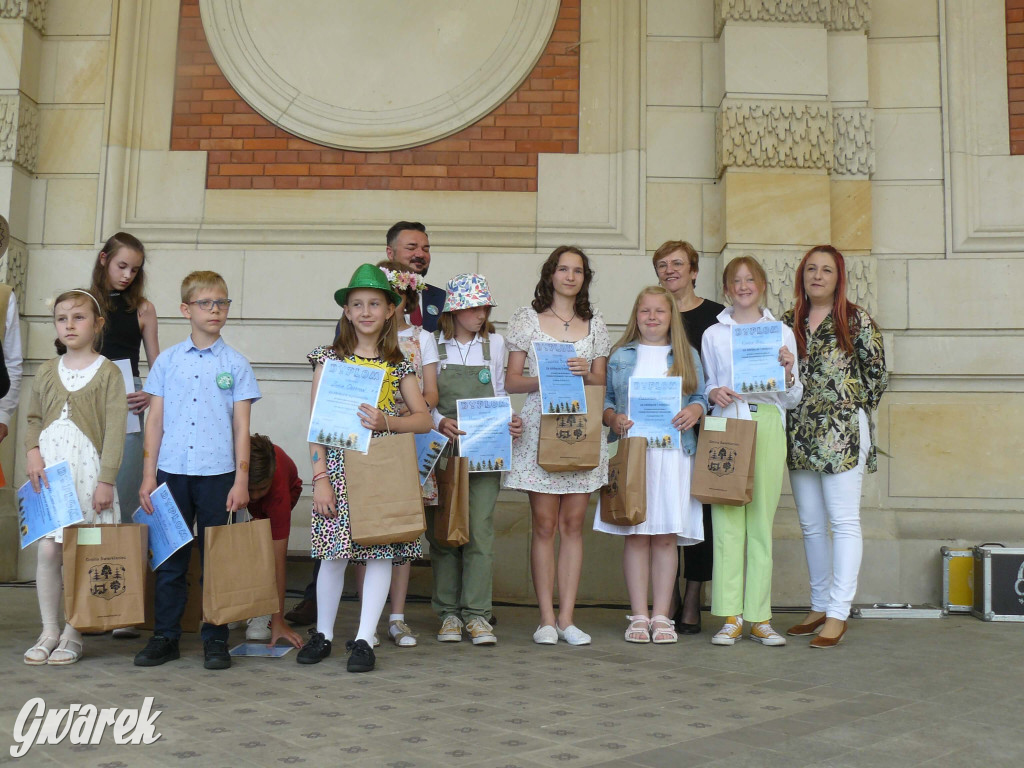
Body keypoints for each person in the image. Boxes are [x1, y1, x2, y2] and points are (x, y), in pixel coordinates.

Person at [297, 264, 431, 672]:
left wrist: (386, 421)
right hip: (336, 469)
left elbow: (423, 418)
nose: (366, 311)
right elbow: (316, 424)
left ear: (391, 310)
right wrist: (320, 479)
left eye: (374, 303)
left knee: (379, 552)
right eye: (357, 304)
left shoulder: (400, 363)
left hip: (381, 470)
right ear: (347, 312)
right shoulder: (329, 359)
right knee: (334, 555)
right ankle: (322, 634)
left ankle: (363, 639)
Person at [134, 271, 261, 671]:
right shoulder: (168, 362)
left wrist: (241, 479)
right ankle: (165, 637)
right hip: (171, 471)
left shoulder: (236, 364)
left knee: (217, 559)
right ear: (186, 309)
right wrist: (148, 475)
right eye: (206, 303)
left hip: (218, 473)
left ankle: (215, 638)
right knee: (170, 557)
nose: (215, 310)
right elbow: (154, 422)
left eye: (222, 302)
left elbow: (242, 426)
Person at [504, 246, 611, 646]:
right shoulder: (526, 320)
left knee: (573, 526)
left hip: (580, 426)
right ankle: (545, 619)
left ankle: (568, 618)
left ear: (585, 278)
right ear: (551, 274)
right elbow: (512, 380)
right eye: (563, 269)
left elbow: (601, 382)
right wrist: (545, 379)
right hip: (538, 425)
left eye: (578, 270)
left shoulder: (595, 323)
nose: (570, 276)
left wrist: (586, 373)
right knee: (545, 525)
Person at [782, 245, 888, 648]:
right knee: (810, 523)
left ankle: (839, 612)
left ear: (838, 276)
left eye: (827, 270)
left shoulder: (857, 320)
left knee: (843, 521)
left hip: (842, 432)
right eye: (811, 269)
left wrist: (843, 405)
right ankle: (820, 604)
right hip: (800, 431)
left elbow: (877, 378)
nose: (818, 276)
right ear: (802, 276)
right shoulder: (787, 321)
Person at [701, 255, 802, 647]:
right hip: (726, 422)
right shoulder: (714, 334)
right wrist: (714, 392)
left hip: (766, 422)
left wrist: (790, 370)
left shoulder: (780, 332)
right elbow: (709, 382)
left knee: (761, 521)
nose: (743, 286)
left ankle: (760, 616)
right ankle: (730, 616)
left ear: (762, 285)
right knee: (726, 522)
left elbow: (791, 397)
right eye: (735, 281)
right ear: (726, 289)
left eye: (750, 279)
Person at [596, 286, 707, 644]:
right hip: (634, 457)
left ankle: (662, 615)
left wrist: (695, 410)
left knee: (665, 536)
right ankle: (639, 615)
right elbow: (606, 403)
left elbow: (702, 396)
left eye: (660, 311)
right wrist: (614, 419)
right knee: (637, 534)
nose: (653, 317)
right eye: (645, 311)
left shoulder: (686, 354)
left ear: (672, 316)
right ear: (636, 316)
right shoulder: (621, 356)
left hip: (673, 455)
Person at [23, 289, 127, 666]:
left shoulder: (109, 373)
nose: (69, 324)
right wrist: (32, 453)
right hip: (52, 477)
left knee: (81, 555)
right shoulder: (48, 371)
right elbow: (33, 418)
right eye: (61, 318)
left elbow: (116, 430)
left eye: (79, 317)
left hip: (89, 477)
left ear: (98, 324)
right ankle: (49, 629)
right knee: (49, 550)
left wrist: (107, 480)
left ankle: (74, 631)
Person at [427, 274, 523, 646]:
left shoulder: (494, 344)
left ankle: (478, 616)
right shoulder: (432, 344)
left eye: (485, 306)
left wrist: (511, 420)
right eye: (473, 307)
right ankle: (448, 613)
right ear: (455, 309)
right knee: (444, 532)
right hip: (443, 450)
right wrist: (438, 421)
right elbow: (423, 396)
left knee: (480, 530)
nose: (481, 313)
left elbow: (499, 390)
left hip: (484, 449)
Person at [353, 261, 441, 648]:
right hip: (360, 446)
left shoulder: (420, 340)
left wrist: (398, 415)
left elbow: (431, 395)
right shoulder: (355, 338)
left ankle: (398, 615)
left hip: (403, 440)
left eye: (398, 294)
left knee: (401, 526)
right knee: (364, 528)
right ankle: (364, 620)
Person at [90, 232, 160, 640]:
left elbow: (158, 364)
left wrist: (148, 391)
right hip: (87, 404)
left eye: (135, 269)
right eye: (121, 266)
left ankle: (127, 606)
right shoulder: (84, 302)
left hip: (128, 406)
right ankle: (90, 600)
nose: (128, 275)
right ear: (104, 260)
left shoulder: (143, 308)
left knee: (130, 499)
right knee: (90, 501)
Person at [653, 240, 725, 634]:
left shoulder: (717, 317)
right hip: (660, 430)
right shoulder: (654, 314)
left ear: (694, 271)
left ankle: (694, 591)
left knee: (702, 512)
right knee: (664, 509)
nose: (670, 270)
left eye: (678, 264)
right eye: (662, 265)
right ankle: (670, 596)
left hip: (706, 424)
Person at [244, 433, 305, 649]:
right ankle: (235, 605)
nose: (255, 496)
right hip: (238, 496)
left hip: (287, 492)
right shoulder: (231, 471)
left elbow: (279, 560)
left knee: (266, 550)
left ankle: (264, 612)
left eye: (261, 489)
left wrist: (278, 621)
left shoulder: (277, 491)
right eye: (250, 490)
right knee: (236, 542)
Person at [385, 221, 445, 332]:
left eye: (425, 249)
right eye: (411, 248)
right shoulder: (374, 295)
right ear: (390, 253)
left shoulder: (442, 298)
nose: (420, 254)